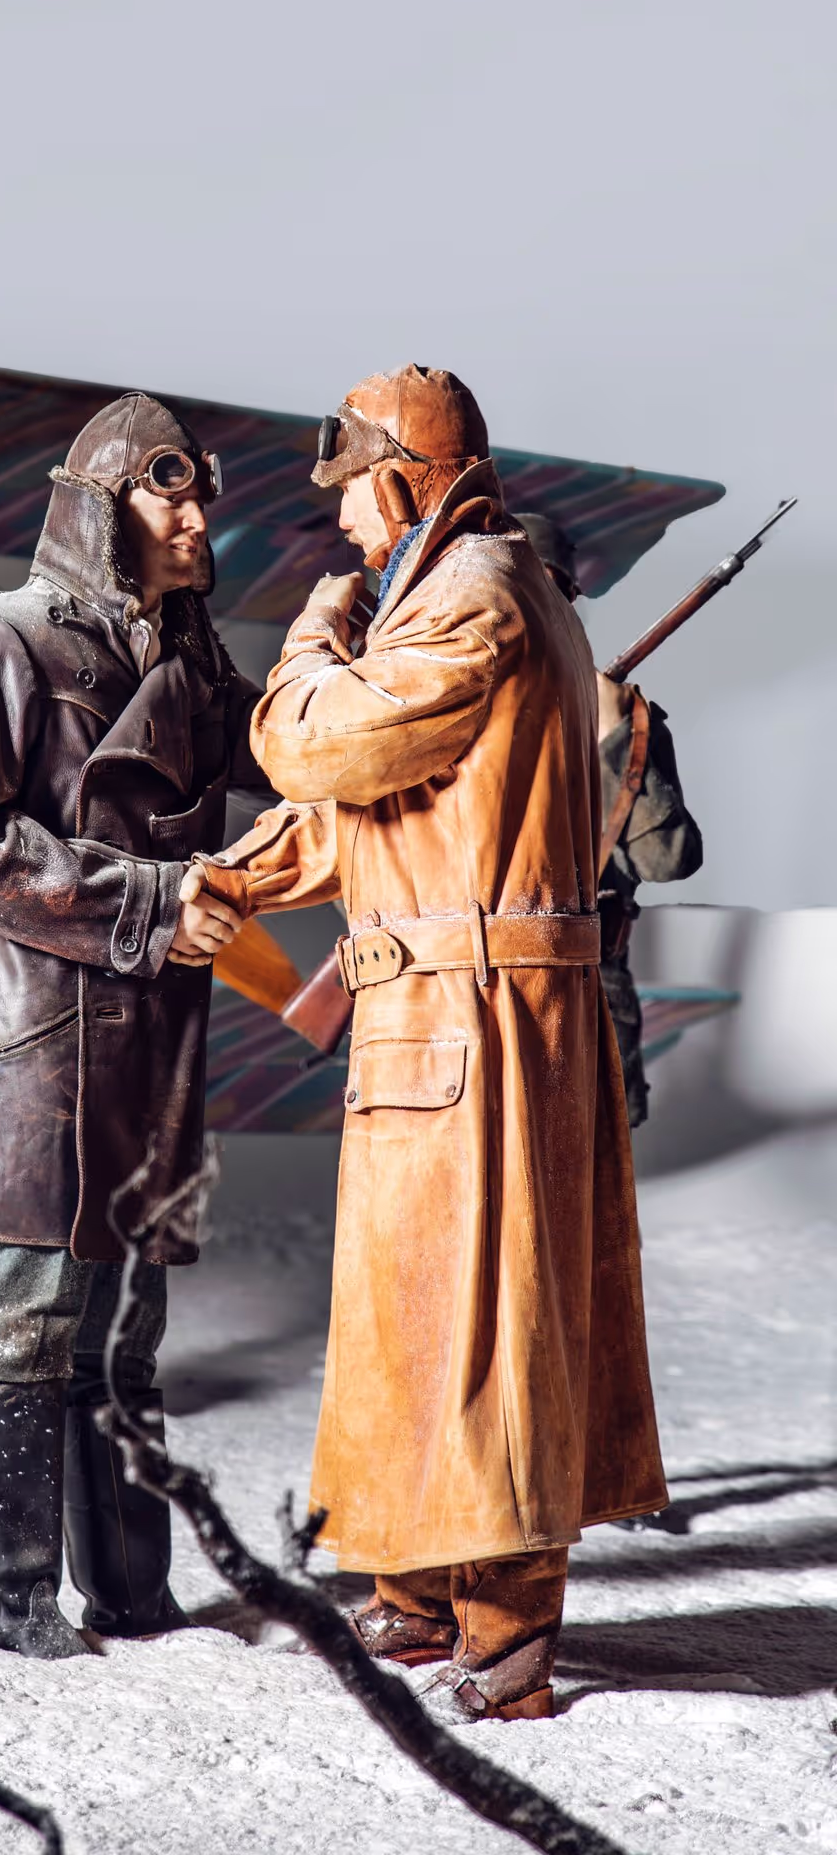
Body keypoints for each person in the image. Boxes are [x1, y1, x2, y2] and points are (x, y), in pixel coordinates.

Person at [184, 365, 667, 1721]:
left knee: (487, 1327)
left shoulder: (474, 593)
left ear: (408, 482)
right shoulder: (446, 596)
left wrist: (308, 634)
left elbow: (312, 750)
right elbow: (365, 817)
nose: (339, 523)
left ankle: (504, 1632)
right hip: (433, 1014)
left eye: (351, 493)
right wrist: (221, 885)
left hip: (479, 1017)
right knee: (403, 1325)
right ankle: (417, 1586)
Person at [0, 393, 265, 1659]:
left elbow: (283, 768)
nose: (195, 518)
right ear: (98, 510)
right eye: (168, 495)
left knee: (123, 1334)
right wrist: (158, 901)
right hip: (32, 1053)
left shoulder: (196, 669)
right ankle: (11, 1605)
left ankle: (130, 1592)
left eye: (200, 496)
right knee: (18, 1323)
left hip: (145, 1041)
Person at [515, 513, 703, 1127]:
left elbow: (667, 861)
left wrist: (615, 736)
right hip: (473, 992)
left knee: (592, 1176)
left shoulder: (623, 718)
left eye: (553, 591)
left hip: (590, 991)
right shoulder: (445, 709)